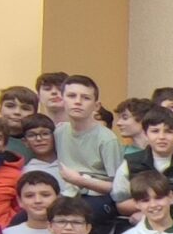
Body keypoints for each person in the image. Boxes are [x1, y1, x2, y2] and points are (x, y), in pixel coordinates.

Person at [51, 75, 121, 204]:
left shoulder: (107, 139)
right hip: (66, 194)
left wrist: (80, 181)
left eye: (86, 98)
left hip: (97, 197)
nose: (78, 102)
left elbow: (118, 186)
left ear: (96, 106)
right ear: (62, 100)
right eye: (72, 96)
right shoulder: (58, 132)